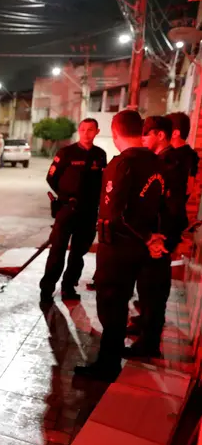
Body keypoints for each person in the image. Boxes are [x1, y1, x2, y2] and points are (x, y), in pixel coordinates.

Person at [74, 110, 167, 382]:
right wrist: (154, 238)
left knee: (111, 306)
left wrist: (148, 238)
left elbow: (116, 216)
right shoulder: (156, 162)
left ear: (115, 132)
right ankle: (110, 360)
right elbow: (160, 206)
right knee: (122, 303)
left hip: (119, 249)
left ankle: (107, 364)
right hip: (141, 250)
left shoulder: (122, 164)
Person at [125, 116, 188, 358]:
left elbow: (170, 206)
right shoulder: (161, 161)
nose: (142, 139)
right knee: (147, 288)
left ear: (160, 135)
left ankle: (149, 344)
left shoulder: (170, 162)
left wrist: (161, 239)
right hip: (155, 236)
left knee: (154, 290)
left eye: (147, 134)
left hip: (160, 238)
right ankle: (145, 327)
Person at [39, 118, 107, 306]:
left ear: (97, 132)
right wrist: (65, 196)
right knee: (57, 251)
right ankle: (47, 289)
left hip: (88, 212)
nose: (86, 133)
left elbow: (101, 182)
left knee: (78, 253)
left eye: (90, 130)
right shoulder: (66, 153)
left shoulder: (100, 155)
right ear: (79, 131)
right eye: (83, 129)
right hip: (67, 210)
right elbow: (51, 178)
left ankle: (69, 287)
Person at [167, 112, 199, 201]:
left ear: (175, 133)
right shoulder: (192, 155)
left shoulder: (187, 156)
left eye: (165, 129)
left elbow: (188, 189)